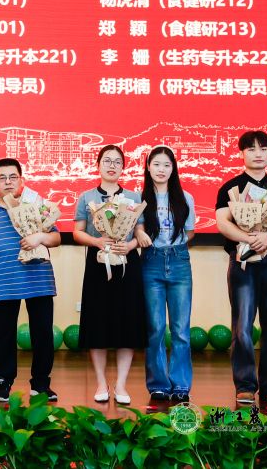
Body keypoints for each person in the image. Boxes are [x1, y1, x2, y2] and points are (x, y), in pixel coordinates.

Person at [215, 130, 267, 407]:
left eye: (263, 148)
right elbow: (222, 222)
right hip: (242, 262)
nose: (258, 153)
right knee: (242, 327)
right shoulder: (230, 188)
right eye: (251, 149)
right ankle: (245, 386)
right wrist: (249, 239)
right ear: (242, 153)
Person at [0, 158, 62, 403]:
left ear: (21, 180)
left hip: (38, 280)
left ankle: (41, 384)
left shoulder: (36, 205)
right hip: (2, 282)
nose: (8, 182)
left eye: (13, 177)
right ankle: (2, 382)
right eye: (2, 177)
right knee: (1, 334)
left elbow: (56, 239)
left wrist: (39, 237)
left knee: (42, 334)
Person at [72, 144, 148, 405]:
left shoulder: (134, 197)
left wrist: (131, 245)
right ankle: (101, 383)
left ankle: (122, 384)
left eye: (117, 161)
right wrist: (96, 241)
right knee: (98, 323)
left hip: (127, 263)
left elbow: (140, 232)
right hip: (98, 264)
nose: (112, 165)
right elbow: (77, 232)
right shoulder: (87, 197)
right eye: (107, 160)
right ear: (98, 165)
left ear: (123, 167)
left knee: (128, 322)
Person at [135, 146, 196, 403]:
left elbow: (190, 232)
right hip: (151, 262)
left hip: (179, 261)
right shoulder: (140, 198)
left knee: (181, 329)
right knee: (155, 328)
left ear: (174, 169)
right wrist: (141, 234)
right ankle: (158, 384)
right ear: (148, 167)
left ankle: (181, 384)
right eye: (156, 164)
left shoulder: (185, 198)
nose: (161, 169)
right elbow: (136, 230)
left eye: (167, 165)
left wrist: (174, 245)